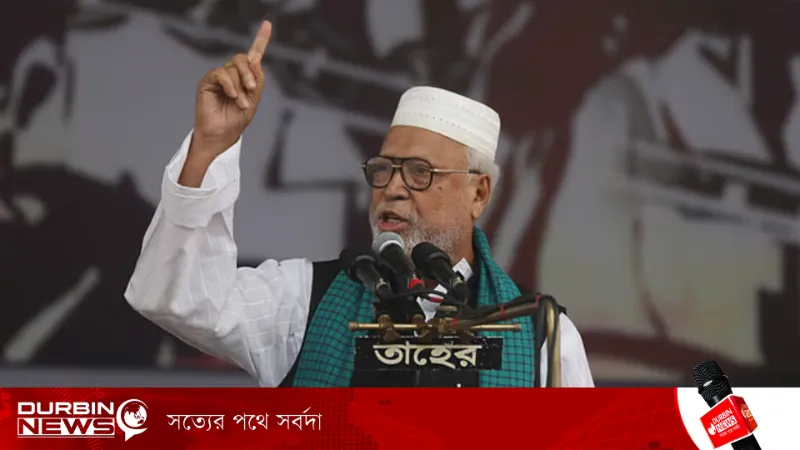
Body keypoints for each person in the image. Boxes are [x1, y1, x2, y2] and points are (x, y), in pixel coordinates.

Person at [125, 21, 594, 387]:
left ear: (479, 194)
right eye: (383, 169)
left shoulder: (541, 336)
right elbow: (178, 300)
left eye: (419, 172)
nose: (392, 188)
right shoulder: (304, 300)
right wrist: (211, 147)